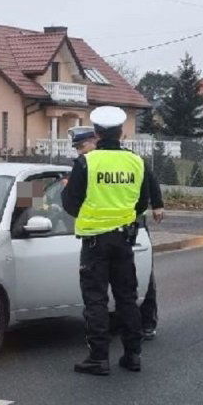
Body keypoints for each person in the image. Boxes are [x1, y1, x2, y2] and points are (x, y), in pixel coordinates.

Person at [62, 108, 150, 376]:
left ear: (97, 133)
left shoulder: (87, 162)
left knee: (96, 299)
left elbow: (70, 203)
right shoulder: (136, 162)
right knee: (127, 298)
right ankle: (132, 355)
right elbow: (142, 202)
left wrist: (92, 214)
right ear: (122, 132)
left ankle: (99, 358)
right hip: (124, 239)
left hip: (94, 241)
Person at [69, 126, 165, 341]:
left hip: (120, 232)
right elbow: (39, 196)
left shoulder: (116, 161)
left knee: (117, 293)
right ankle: (131, 351)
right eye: (76, 148)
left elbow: (148, 178)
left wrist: (156, 204)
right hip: (118, 233)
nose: (79, 152)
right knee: (123, 294)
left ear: (96, 139)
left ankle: (144, 323)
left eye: (81, 146)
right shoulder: (85, 164)